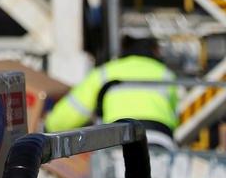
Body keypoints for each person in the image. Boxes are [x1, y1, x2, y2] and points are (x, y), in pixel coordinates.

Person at [46, 35, 179, 149]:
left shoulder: (106, 72)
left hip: (118, 141)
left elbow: (73, 110)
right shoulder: (166, 74)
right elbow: (174, 115)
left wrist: (49, 127)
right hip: (160, 140)